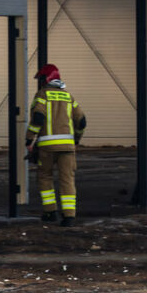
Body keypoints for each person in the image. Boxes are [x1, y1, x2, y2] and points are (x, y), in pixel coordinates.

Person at [25, 63, 87, 226]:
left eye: (41, 79)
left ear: (47, 79)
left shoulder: (42, 95)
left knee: (45, 176)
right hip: (68, 147)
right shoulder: (68, 96)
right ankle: (69, 217)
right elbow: (81, 121)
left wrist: (29, 139)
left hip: (47, 147)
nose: (40, 83)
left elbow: (38, 118)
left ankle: (50, 212)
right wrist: (76, 139)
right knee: (67, 180)